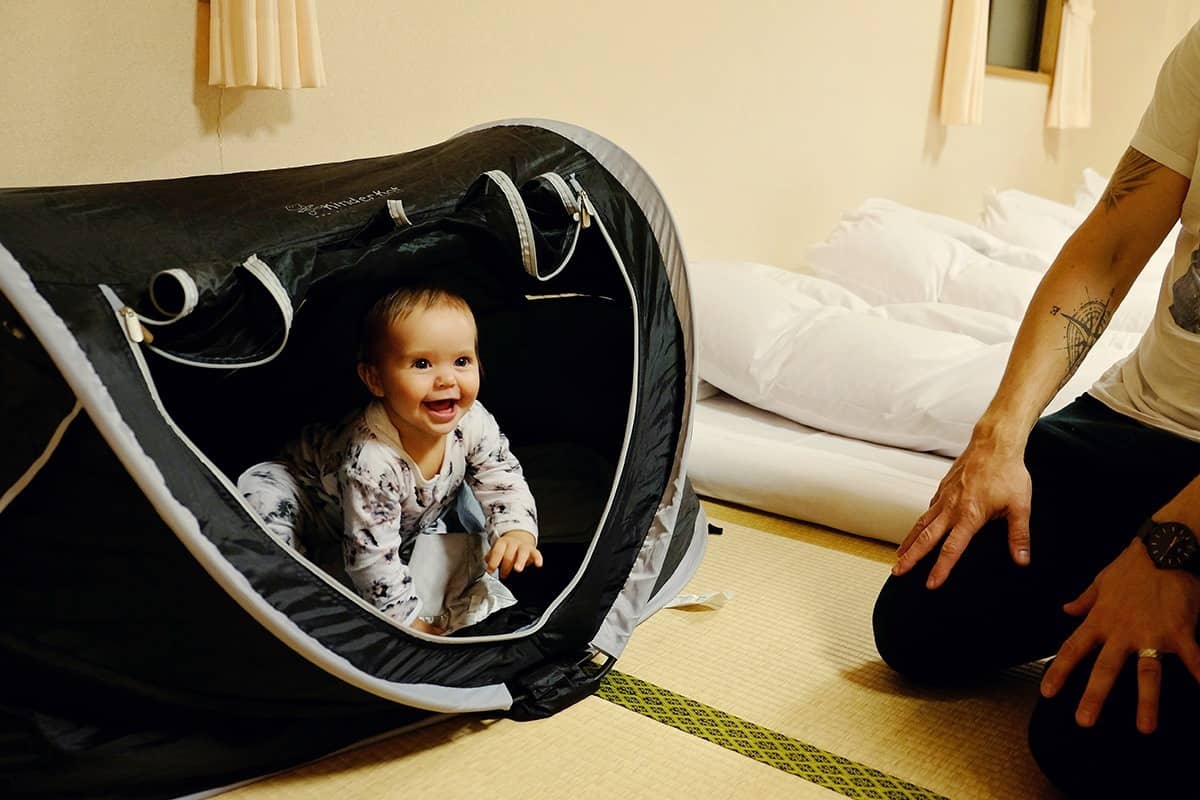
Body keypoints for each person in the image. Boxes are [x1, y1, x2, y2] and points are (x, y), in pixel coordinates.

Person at [872, 23, 1200, 797]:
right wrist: (1001, 436)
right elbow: (1112, 239)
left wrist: (1171, 547)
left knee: (1097, 744)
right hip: (1141, 418)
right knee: (921, 626)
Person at [238, 285, 542, 636]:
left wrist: (516, 528)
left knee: (463, 532)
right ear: (376, 379)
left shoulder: (473, 422)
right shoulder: (371, 459)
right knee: (259, 499)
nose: (446, 379)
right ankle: (294, 587)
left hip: (392, 519)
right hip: (310, 502)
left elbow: (501, 473)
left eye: (462, 361)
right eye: (422, 364)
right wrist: (410, 622)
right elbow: (369, 557)